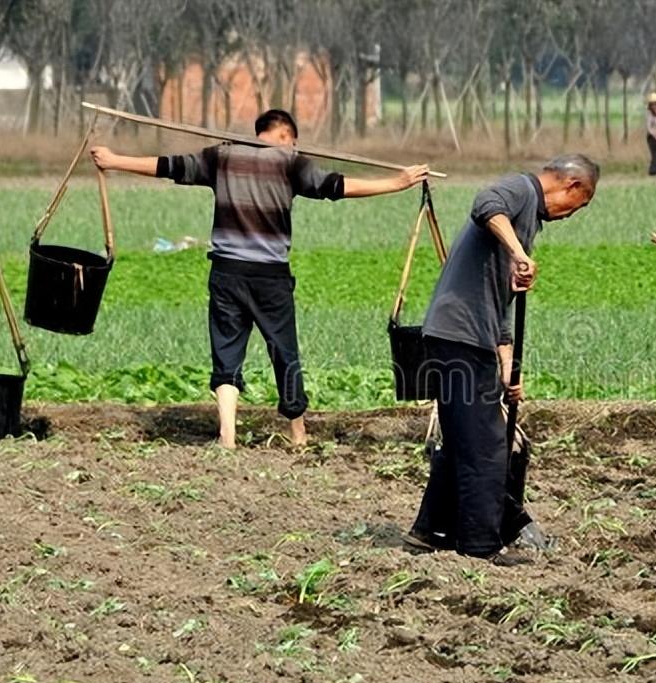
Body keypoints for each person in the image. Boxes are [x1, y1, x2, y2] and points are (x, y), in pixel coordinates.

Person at [90, 110, 429, 448]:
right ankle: (298, 434)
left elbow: (169, 167)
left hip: (227, 272)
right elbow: (337, 186)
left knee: (226, 353)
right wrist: (396, 183)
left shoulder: (221, 156)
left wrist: (115, 159)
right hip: (271, 277)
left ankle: (228, 436)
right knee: (285, 353)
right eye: (293, 141)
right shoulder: (290, 162)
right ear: (286, 134)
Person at [406, 155, 599, 565]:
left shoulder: (527, 219)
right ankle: (480, 545)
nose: (570, 215)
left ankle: (430, 530)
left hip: (469, 337)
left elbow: (501, 307)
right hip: (457, 335)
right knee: (488, 445)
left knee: (464, 439)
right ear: (571, 186)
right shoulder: (520, 190)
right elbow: (484, 203)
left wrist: (508, 366)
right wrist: (517, 252)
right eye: (578, 205)